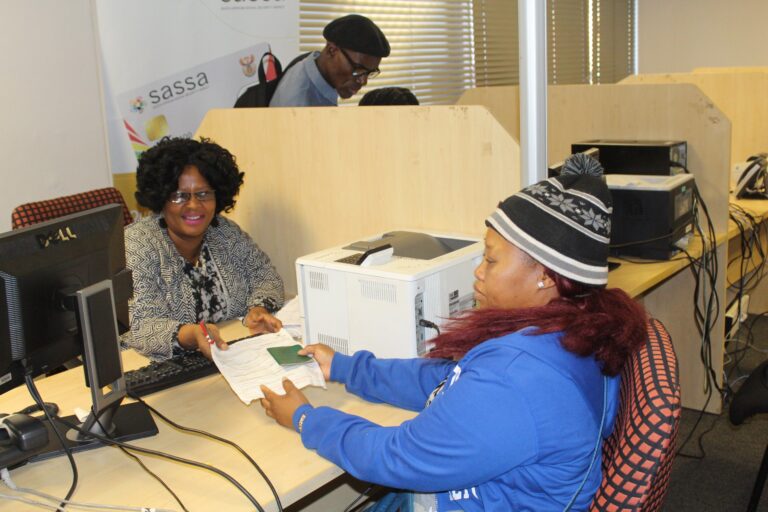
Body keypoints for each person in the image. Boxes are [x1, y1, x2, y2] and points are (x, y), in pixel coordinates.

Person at [259, 154, 648, 511]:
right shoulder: (564, 331)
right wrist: (345, 368)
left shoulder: (518, 379)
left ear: (546, 276)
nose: (478, 271)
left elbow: (398, 457)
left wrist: (307, 419)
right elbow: (446, 377)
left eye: (492, 260)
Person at [121, 137, 284, 361]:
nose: (194, 205)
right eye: (180, 195)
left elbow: (265, 276)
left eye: (204, 193)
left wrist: (259, 309)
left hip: (223, 357)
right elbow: (140, 325)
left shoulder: (223, 232)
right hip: (148, 365)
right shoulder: (137, 245)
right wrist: (190, 334)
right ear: (161, 198)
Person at [269, 14, 390, 107]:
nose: (363, 81)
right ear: (332, 50)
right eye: (357, 69)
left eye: (369, 73)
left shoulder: (314, 65)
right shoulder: (299, 104)